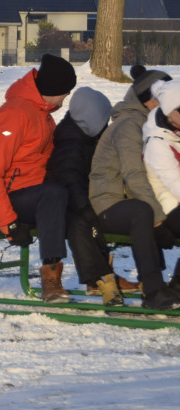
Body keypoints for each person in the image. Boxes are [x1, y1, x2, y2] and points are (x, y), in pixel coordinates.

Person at [0, 53, 76, 303]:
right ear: (54, 89)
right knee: (54, 194)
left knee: (77, 199)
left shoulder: (43, 114)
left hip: (33, 195)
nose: (67, 97)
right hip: (1, 203)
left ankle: (100, 278)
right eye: (66, 91)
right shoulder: (15, 114)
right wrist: (9, 224)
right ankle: (51, 278)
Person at [89, 65, 180, 311]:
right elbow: (134, 176)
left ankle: (176, 289)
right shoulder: (129, 125)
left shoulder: (155, 124)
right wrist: (160, 221)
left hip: (135, 200)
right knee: (142, 212)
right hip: (110, 203)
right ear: (150, 100)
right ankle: (153, 291)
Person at [43, 87, 122, 305]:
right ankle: (100, 279)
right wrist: (86, 208)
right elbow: (69, 180)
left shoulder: (85, 137)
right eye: (103, 121)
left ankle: (103, 275)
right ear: (92, 119)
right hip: (63, 203)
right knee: (80, 224)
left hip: (77, 198)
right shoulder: (71, 143)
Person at [139, 79, 180, 308]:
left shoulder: (174, 132)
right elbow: (175, 184)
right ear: (170, 110)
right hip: (166, 210)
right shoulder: (157, 143)